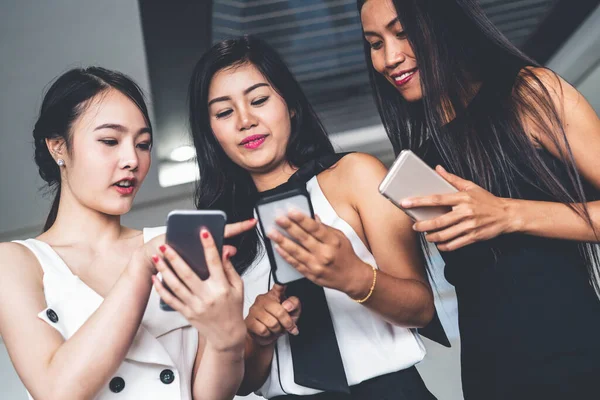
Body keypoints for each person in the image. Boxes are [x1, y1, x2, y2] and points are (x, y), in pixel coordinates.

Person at [358, 0, 600, 398]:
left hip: (576, 362)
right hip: (487, 376)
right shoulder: (423, 157)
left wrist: (508, 214)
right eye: (374, 43)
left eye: (402, 33)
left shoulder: (528, 93)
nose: (390, 58)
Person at [187, 35, 437, 399]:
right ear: (211, 133)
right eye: (224, 112)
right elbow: (242, 384)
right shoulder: (213, 235)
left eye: (259, 100)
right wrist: (257, 338)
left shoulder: (356, 175)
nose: (245, 120)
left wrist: (353, 276)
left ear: (289, 105)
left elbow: (421, 309)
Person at [0, 67, 255, 400]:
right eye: (110, 141)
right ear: (57, 146)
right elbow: (56, 391)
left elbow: (206, 396)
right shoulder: (17, 262)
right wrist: (141, 266)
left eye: (144, 144)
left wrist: (228, 342)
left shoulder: (175, 245)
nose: (131, 159)